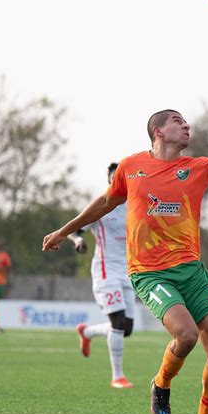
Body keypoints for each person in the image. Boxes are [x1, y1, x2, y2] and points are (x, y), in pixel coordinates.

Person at [43, 108, 208, 414]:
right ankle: (161, 384)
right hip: (149, 272)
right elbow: (104, 202)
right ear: (157, 131)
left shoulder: (198, 167)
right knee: (186, 335)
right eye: (177, 121)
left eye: (187, 122)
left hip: (192, 271)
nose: (186, 125)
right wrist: (64, 230)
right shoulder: (131, 167)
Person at [68, 162, 135, 389]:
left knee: (126, 329)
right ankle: (118, 376)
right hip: (106, 272)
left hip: (129, 272)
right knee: (117, 322)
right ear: (109, 180)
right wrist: (78, 240)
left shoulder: (135, 205)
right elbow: (75, 230)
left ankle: (86, 331)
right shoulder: (102, 206)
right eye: (115, 177)